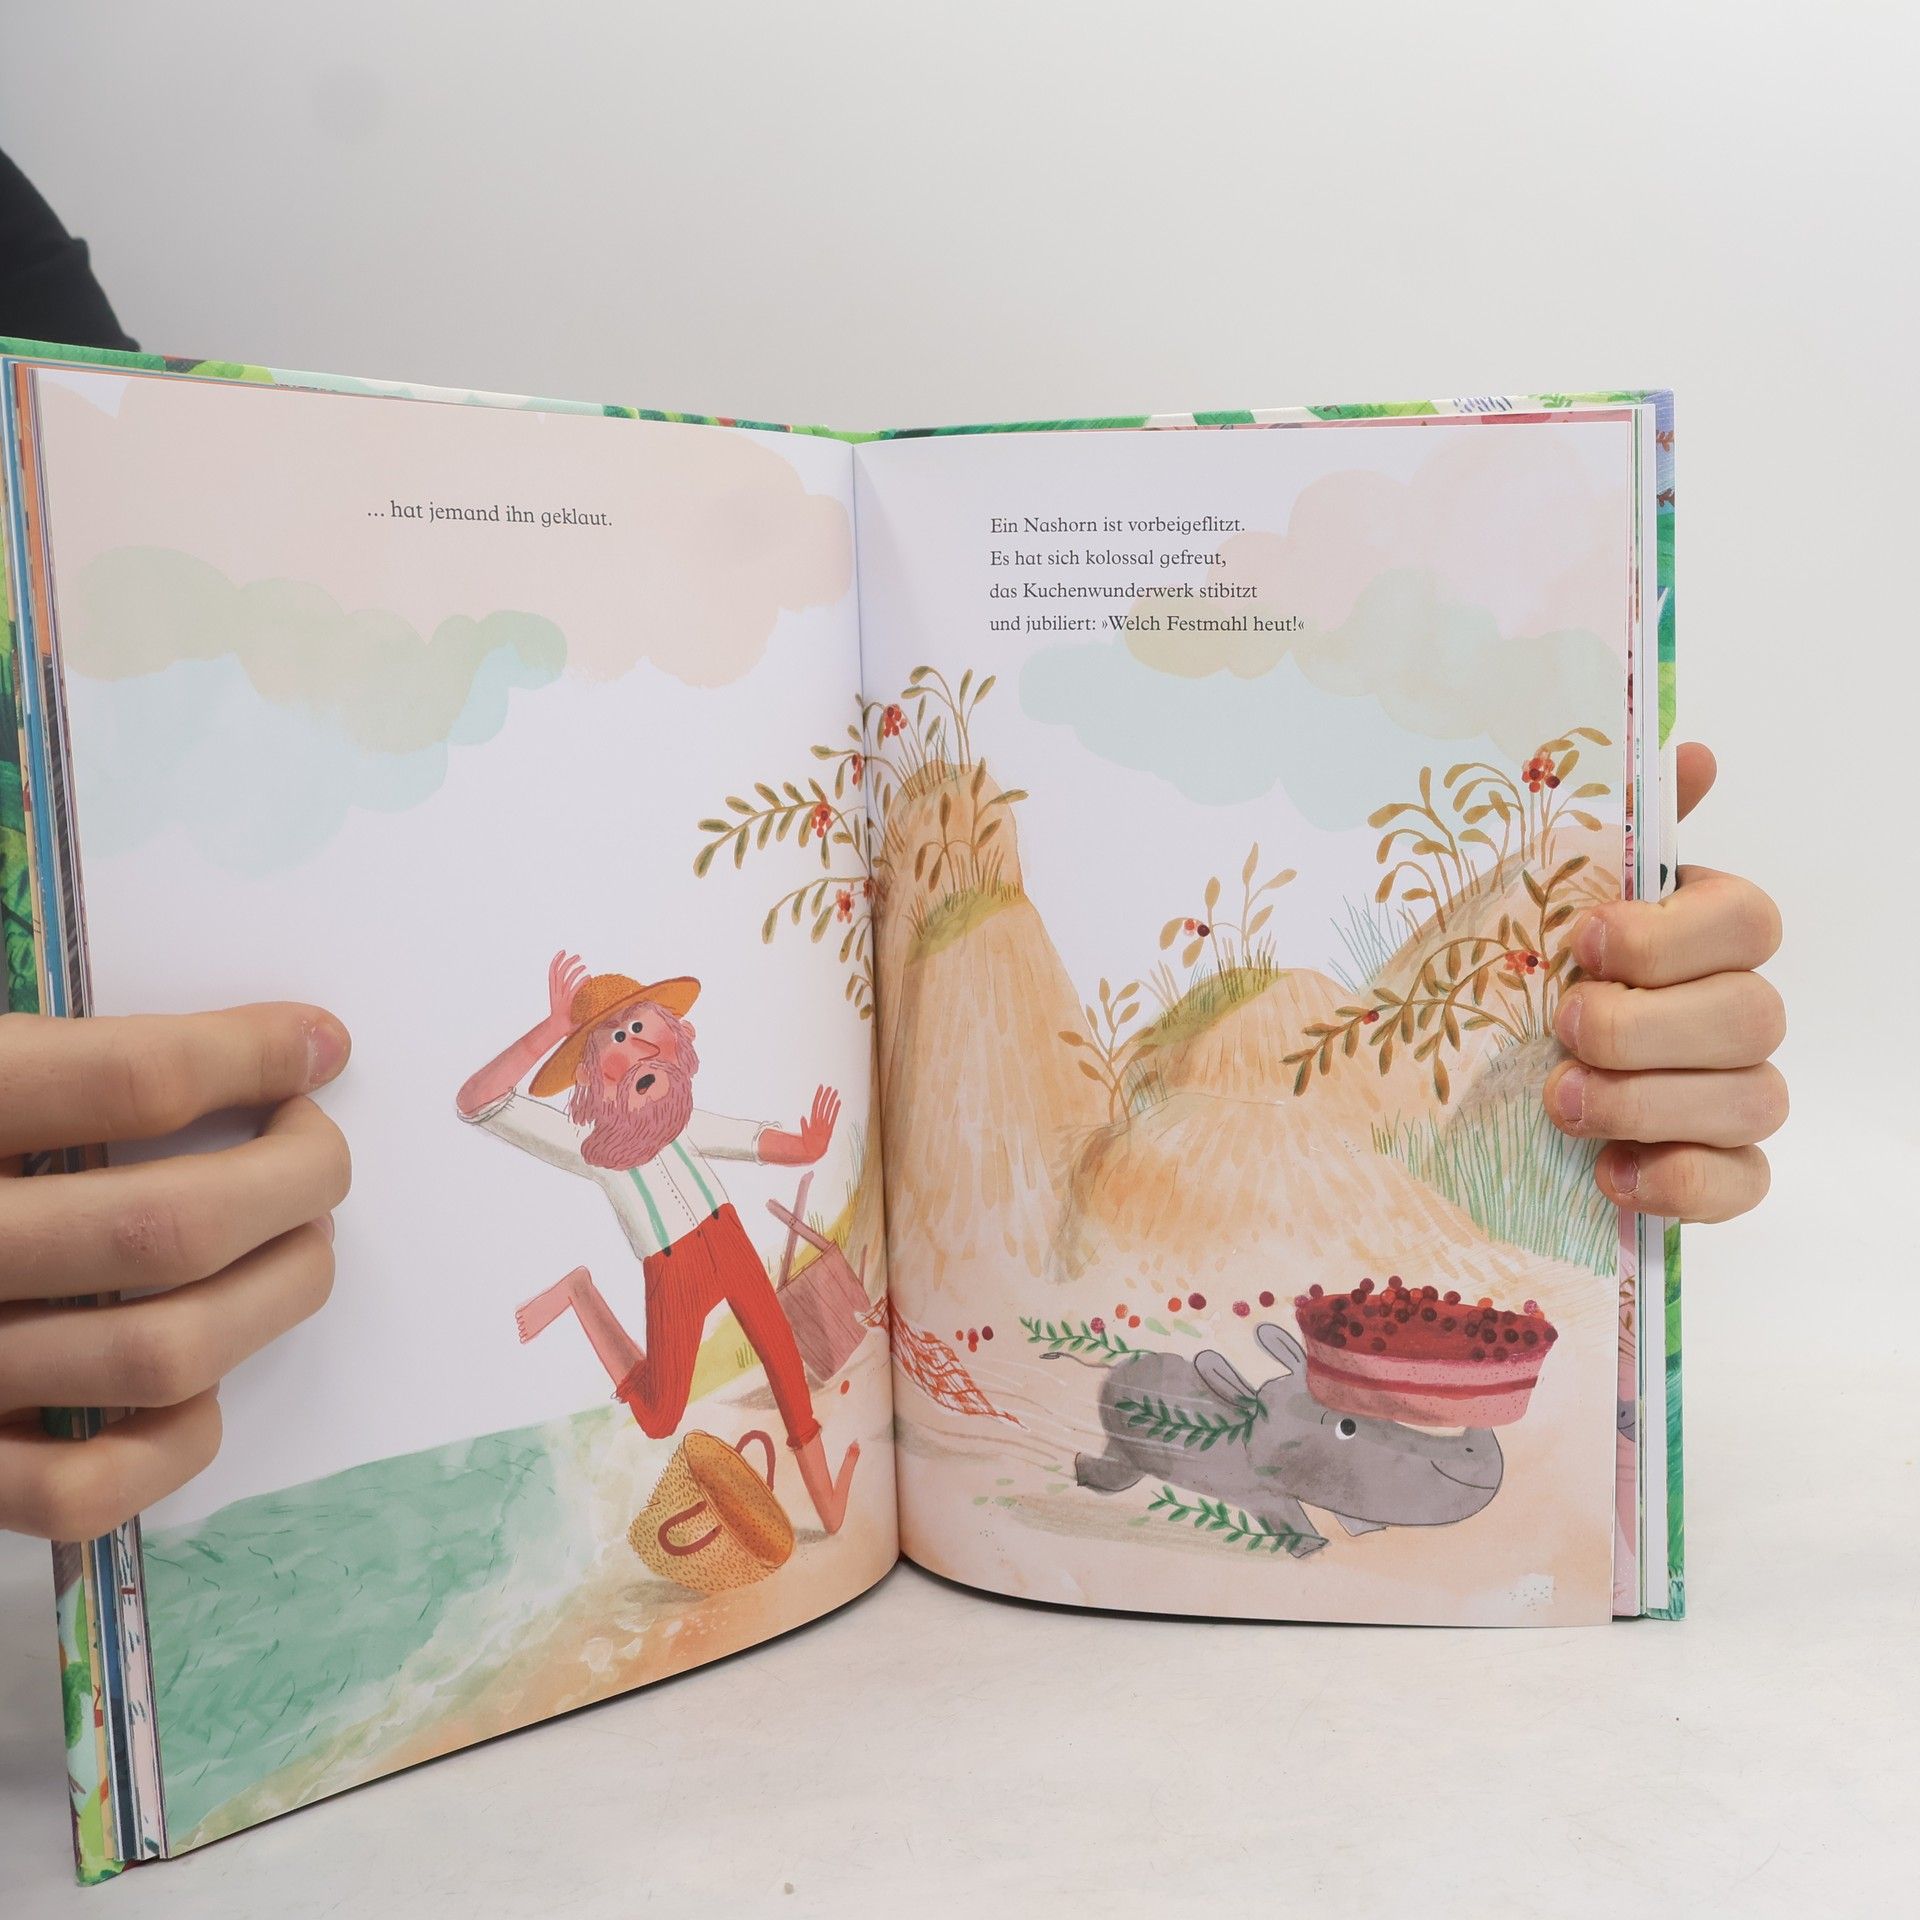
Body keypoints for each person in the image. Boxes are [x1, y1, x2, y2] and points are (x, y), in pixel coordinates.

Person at [0, 158, 1787, 1543]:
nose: (648, 1056)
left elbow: (93, 606)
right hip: (653, 1264)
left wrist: (795, 1139)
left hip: (708, 1241)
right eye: (632, 1047)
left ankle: (796, 1453)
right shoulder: (581, 1128)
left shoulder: (35, 289)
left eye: (644, 1040)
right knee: (671, 1395)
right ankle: (618, 1350)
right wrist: (548, 1040)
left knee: (785, 1370)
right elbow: (479, 1107)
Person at [455, 953, 860, 1532]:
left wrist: (807, 1148)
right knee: (659, 1417)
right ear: (590, 1076)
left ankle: (829, 1508)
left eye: (641, 1028)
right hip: (672, 1273)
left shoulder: (682, 1116)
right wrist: (553, 1029)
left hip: (729, 1242)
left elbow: (747, 1139)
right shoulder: (587, 1144)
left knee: (785, 1363)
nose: (634, 1050)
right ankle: (580, 1292)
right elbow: (476, 1101)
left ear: (673, 1036)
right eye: (614, 1041)